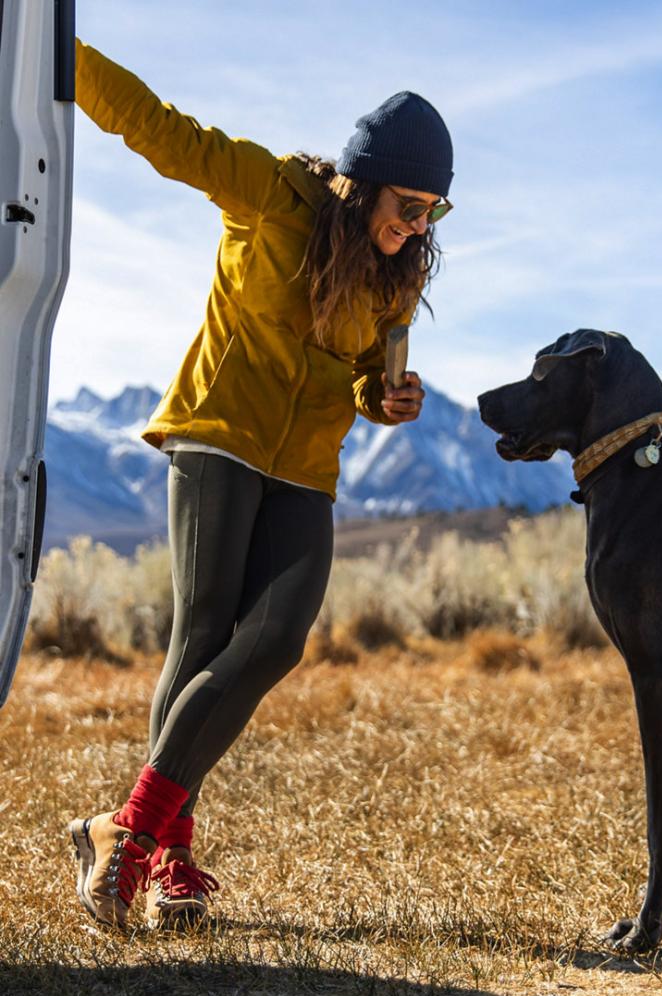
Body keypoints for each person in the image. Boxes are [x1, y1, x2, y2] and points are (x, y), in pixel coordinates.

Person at [66, 39, 453, 930]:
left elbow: (369, 374)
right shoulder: (267, 191)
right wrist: (52, 48)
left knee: (276, 637)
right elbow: (155, 127)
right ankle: (168, 861)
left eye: (435, 211)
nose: (419, 225)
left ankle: (119, 830)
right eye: (408, 205)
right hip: (219, 438)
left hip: (305, 470)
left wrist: (387, 398)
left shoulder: (398, 273)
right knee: (201, 638)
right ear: (365, 182)